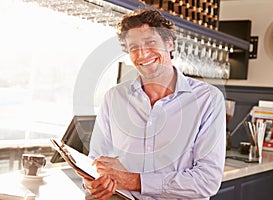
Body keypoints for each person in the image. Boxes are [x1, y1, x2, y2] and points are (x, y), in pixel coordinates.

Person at [80, 8, 226, 200]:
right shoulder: (114, 97)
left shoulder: (208, 99)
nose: (142, 53)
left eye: (150, 43)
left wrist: (133, 181)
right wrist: (94, 181)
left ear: (169, 43)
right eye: (133, 48)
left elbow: (207, 181)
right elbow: (97, 161)